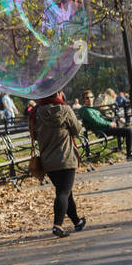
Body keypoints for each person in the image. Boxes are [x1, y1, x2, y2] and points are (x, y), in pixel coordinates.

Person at [30, 92, 86, 237]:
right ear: (58, 93)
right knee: (63, 192)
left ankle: (76, 221)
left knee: (66, 192)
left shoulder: (36, 113)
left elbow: (34, 135)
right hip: (66, 157)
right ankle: (57, 225)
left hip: (48, 160)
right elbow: (77, 129)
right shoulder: (65, 110)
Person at [78, 91, 132, 159]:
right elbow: (96, 122)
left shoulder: (92, 109)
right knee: (128, 131)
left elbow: (101, 119)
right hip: (101, 131)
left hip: (105, 128)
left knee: (129, 130)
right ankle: (130, 154)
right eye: (87, 98)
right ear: (84, 100)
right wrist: (109, 124)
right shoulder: (85, 110)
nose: (90, 99)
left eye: (91, 97)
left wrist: (112, 121)